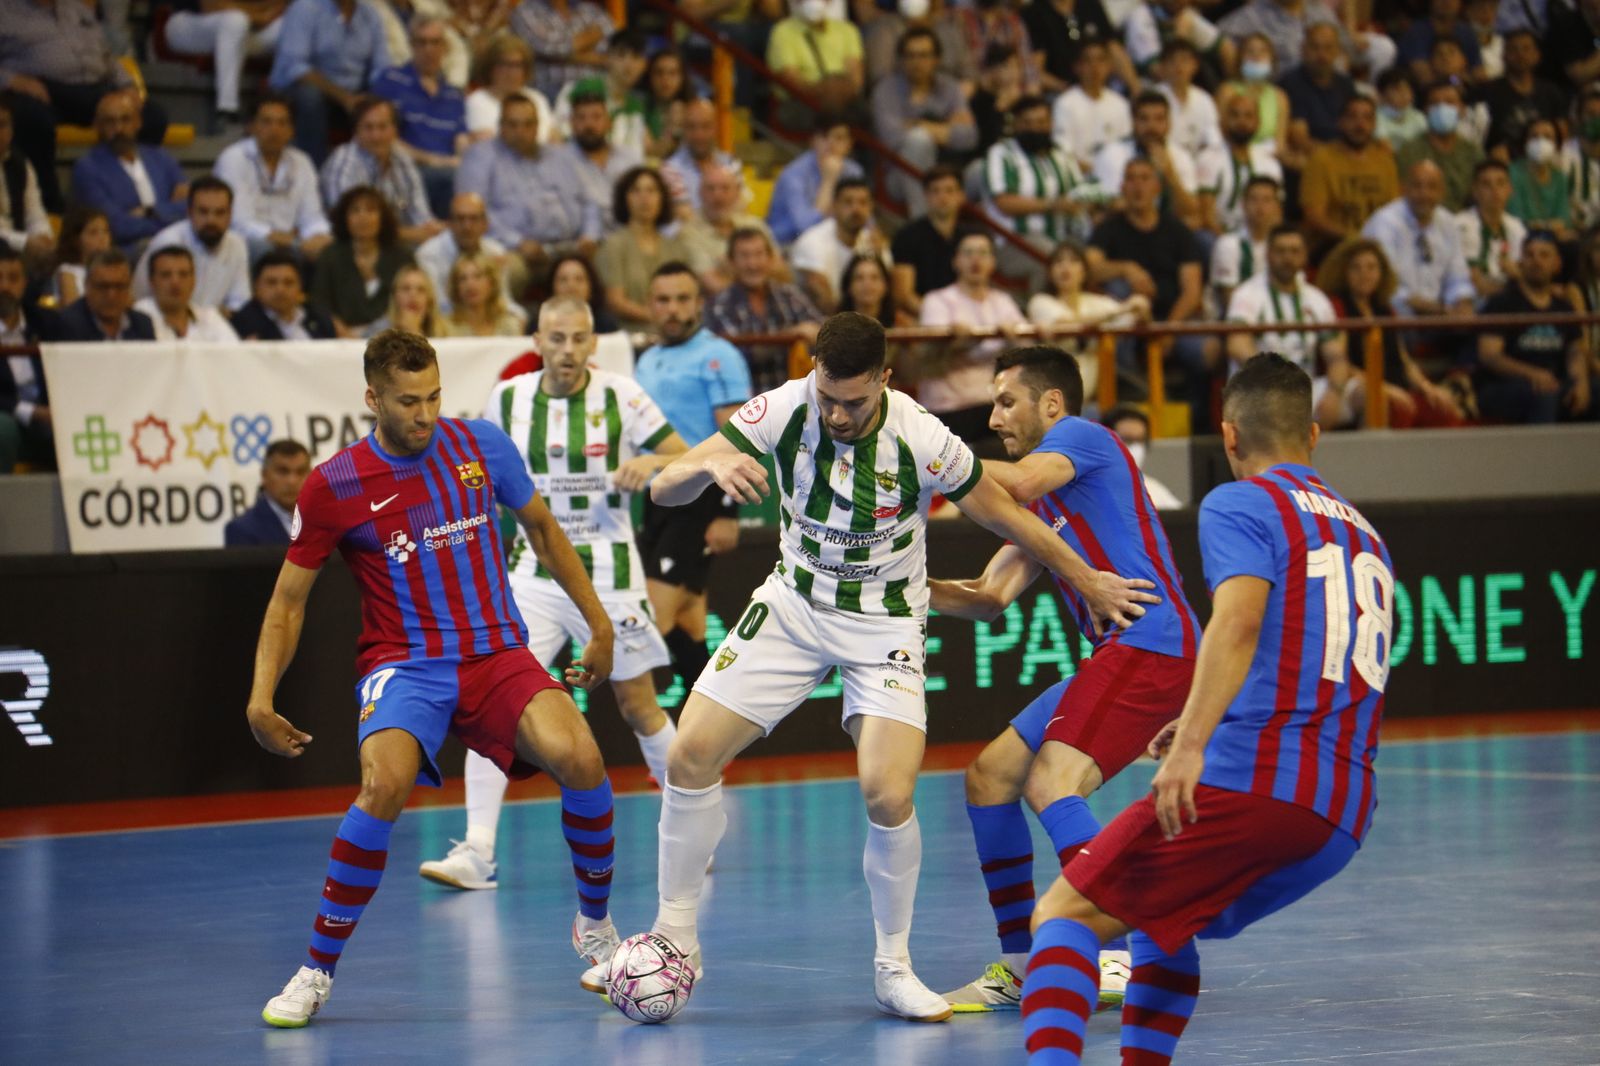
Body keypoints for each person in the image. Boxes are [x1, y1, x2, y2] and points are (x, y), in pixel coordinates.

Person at [612, 312, 1162, 1022]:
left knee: (886, 793)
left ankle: (892, 967)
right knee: (688, 755)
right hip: (794, 605)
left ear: (885, 382)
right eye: (828, 397)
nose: (838, 413)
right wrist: (704, 465)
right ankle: (675, 938)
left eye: (854, 400)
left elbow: (1008, 513)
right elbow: (662, 490)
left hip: (884, 624)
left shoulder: (921, 435)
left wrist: (1085, 577)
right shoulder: (783, 406)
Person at [1019, 352, 1395, 1066]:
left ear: (1227, 437)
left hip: (1258, 783)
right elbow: (1314, 660)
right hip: (1342, 816)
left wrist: (1192, 743)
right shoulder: (1362, 533)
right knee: (1160, 923)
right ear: (1313, 435)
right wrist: (1205, 713)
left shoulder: (1241, 502)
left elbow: (1239, 622)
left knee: (1063, 913)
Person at [249, 328, 623, 1028]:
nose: (424, 415)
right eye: (407, 402)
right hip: (405, 665)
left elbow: (543, 530)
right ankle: (315, 969)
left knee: (583, 756)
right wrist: (260, 698)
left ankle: (595, 929)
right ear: (373, 399)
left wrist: (598, 624)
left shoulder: (481, 444)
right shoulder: (335, 485)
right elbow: (288, 601)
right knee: (382, 785)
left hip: (495, 654)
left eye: (433, 398)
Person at [931, 346, 1194, 1013]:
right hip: (1122, 652)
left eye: (1006, 401)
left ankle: (1120, 951)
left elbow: (1011, 485)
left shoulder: (1082, 437)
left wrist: (920, 458)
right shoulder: (1045, 511)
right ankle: (1023, 965)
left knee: (1052, 779)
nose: (994, 417)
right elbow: (989, 596)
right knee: (991, 777)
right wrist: (898, 586)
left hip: (1152, 641)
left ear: (1052, 404)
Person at [419, 295, 690, 893]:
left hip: (610, 572)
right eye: (556, 338)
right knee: (494, 700)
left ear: (594, 343)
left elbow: (683, 455)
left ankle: (690, 831)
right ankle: (478, 852)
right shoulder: (508, 398)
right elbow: (474, 475)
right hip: (532, 573)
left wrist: (650, 463)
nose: (567, 350)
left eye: (578, 339)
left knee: (638, 706)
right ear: (537, 341)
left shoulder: (622, 393)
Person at [633, 262, 753, 694]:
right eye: (663, 300)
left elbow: (737, 438)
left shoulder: (718, 356)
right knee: (688, 621)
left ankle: (689, 731)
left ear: (699, 304)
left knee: (651, 618)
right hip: (655, 497)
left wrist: (727, 510)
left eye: (683, 299)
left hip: (700, 498)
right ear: (650, 305)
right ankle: (709, 733)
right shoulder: (646, 361)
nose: (673, 309)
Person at [0, 0, 168, 212]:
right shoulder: (5, 12)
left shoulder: (77, 9)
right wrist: (13, 81)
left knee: (152, 116)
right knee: (31, 118)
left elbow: (107, 56)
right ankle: (48, 205)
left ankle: (132, 192)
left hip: (96, 88)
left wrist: (126, 86)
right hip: (40, 90)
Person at [1086, 157, 1209, 430]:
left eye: (1145, 179)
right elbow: (1090, 268)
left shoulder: (1177, 230)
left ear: (1157, 187)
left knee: (1209, 350)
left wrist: (1168, 328)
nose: (1138, 186)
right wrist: (1124, 268)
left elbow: (1192, 290)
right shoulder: (1108, 228)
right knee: (1117, 296)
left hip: (1173, 319)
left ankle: (1200, 422)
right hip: (1127, 323)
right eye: (1131, 179)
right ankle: (1129, 406)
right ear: (1122, 187)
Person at [1319, 236, 1466, 428]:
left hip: (1396, 382)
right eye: (1356, 267)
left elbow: (1403, 358)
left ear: (1382, 272)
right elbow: (1342, 364)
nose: (1365, 274)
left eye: (1372, 267)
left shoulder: (1385, 309)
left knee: (1443, 408)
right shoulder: (1337, 307)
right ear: (1344, 273)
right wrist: (1383, 388)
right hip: (1362, 385)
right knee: (1396, 408)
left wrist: (1426, 386)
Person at [457, 95, 598, 281]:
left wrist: (590, 235)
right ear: (500, 126)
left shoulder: (561, 156)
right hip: (515, 250)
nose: (520, 131)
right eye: (513, 124)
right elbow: (471, 214)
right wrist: (518, 243)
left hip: (571, 246)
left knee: (610, 259)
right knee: (510, 272)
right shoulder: (481, 157)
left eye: (528, 124)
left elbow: (590, 202)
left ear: (538, 126)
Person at [1224, 225, 1350, 427]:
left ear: (1305, 256)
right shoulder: (1247, 294)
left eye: (1295, 251)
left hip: (1304, 388)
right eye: (1280, 251)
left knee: (1361, 393)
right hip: (1259, 388)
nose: (1287, 258)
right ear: (1268, 254)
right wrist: (1273, 381)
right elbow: (1237, 345)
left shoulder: (1317, 299)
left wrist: (1334, 393)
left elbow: (1336, 356)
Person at [918, 230, 1026, 446]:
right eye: (968, 253)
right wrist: (968, 340)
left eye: (982, 253)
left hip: (994, 404)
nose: (975, 259)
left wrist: (1014, 337)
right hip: (950, 408)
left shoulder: (1002, 301)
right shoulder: (937, 300)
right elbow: (932, 351)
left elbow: (1026, 343)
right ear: (956, 261)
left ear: (993, 262)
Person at [1476, 231, 1595, 423]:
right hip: (1504, 386)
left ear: (1557, 264)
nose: (1536, 261)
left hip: (1554, 381)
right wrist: (1533, 374)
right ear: (1521, 262)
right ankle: (1546, 453)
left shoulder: (1564, 307)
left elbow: (1575, 351)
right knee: (1544, 393)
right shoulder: (1501, 303)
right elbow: (1490, 355)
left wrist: (1581, 382)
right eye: (1529, 255)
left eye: (1544, 255)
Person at [984, 94, 1097, 288]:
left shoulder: (1061, 154)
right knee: (1057, 260)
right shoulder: (1001, 153)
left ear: (1051, 123)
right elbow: (1003, 202)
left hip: (1064, 236)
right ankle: (1044, 314)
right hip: (1015, 241)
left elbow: (1081, 190)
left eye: (1041, 122)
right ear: (1016, 125)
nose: (1035, 128)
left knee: (1093, 257)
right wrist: (1051, 204)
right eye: (1028, 122)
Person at [1027, 238, 1151, 404]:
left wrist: (1142, 307)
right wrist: (1122, 309)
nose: (1065, 267)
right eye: (1059, 262)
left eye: (1073, 261)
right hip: (1053, 391)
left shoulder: (1099, 302)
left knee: (1138, 394)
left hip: (1096, 390)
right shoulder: (1040, 301)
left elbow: (1137, 319)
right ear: (1049, 272)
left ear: (1084, 271)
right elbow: (1067, 324)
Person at [871, 26, 977, 217]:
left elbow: (969, 137)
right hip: (900, 175)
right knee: (918, 140)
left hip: (948, 170)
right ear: (901, 60)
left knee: (981, 171)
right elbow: (891, 139)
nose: (916, 62)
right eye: (910, 56)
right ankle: (924, 223)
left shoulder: (950, 87)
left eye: (923, 55)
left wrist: (918, 124)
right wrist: (945, 127)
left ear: (936, 59)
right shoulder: (886, 90)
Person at [268, 0, 391, 165]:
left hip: (354, 90)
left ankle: (381, 169)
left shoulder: (370, 14)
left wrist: (376, 96)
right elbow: (295, 67)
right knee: (310, 96)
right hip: (304, 89)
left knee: (391, 96)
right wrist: (345, 98)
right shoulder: (305, 8)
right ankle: (314, 167)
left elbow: (381, 66)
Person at [213, 94, 334, 263]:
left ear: (292, 131)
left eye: (282, 123)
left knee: (331, 249)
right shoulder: (234, 159)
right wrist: (288, 240)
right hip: (248, 242)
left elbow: (312, 216)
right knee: (264, 249)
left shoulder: (302, 161)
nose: (275, 130)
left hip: (293, 243)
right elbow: (239, 223)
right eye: (266, 122)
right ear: (251, 127)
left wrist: (319, 236)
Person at [371, 17, 469, 219]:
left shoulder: (453, 94)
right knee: (450, 179)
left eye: (435, 42)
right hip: (405, 168)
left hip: (448, 170)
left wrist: (465, 161)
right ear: (411, 46)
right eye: (421, 42)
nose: (428, 49)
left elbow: (461, 141)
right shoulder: (391, 80)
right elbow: (382, 137)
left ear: (445, 48)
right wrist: (434, 160)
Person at [69, 90, 189, 254]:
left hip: (172, 244)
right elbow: (117, 226)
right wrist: (170, 218)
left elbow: (189, 207)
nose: (119, 129)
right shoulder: (88, 169)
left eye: (125, 120)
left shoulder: (161, 157)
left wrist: (150, 211)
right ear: (98, 126)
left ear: (138, 122)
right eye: (110, 122)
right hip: (126, 252)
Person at [705, 227, 823, 391]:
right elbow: (736, 357)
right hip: (745, 405)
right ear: (731, 262)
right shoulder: (719, 305)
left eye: (759, 255)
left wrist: (812, 333)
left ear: (770, 258)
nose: (753, 264)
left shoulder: (789, 294)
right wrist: (794, 335)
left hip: (795, 401)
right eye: (745, 256)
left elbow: (824, 332)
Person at [319, 96, 443, 247]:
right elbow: (354, 226)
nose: (376, 136)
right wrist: (414, 234)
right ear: (356, 132)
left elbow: (422, 216)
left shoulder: (402, 158)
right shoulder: (343, 164)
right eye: (368, 128)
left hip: (398, 245)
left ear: (395, 131)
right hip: (351, 248)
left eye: (382, 127)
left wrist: (433, 230)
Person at [1362, 160, 1475, 319]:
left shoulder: (1448, 223)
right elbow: (1386, 287)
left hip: (1439, 317)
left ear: (1442, 192)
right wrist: (1438, 310)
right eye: (1417, 186)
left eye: (1432, 187)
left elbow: (1458, 278)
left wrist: (1463, 304)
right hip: (1395, 315)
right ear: (1403, 189)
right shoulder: (1385, 223)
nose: (1424, 194)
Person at [594, 166, 693, 334]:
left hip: (676, 334)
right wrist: (662, 316)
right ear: (624, 199)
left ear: (662, 198)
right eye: (635, 191)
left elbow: (689, 295)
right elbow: (615, 302)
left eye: (652, 190)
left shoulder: (676, 247)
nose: (644, 198)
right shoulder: (613, 245)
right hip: (629, 336)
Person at [1300, 94, 1399, 258]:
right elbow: (1314, 216)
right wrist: (1354, 238)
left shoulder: (1385, 160)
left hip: (1379, 247)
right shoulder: (1321, 159)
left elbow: (1394, 210)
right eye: (1352, 117)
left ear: (1374, 124)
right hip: (1333, 247)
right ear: (1340, 122)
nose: (1360, 124)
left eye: (1367, 118)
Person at [134, 177, 251, 313]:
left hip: (214, 326)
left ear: (230, 215)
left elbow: (239, 303)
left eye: (219, 213)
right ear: (189, 212)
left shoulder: (237, 244)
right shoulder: (168, 243)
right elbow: (146, 301)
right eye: (203, 212)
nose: (211, 220)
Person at [159, 0, 285, 125]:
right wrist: (260, 15)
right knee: (235, 21)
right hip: (190, 23)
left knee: (288, 25)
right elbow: (211, 5)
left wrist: (256, 14)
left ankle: (281, 103)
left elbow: (278, 5)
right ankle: (227, 108)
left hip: (241, 32)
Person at [311, 186, 414, 337]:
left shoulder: (401, 256)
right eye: (355, 211)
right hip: (342, 339)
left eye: (371, 210)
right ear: (345, 218)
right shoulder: (330, 256)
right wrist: (343, 333)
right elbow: (319, 304)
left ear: (382, 217)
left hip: (393, 336)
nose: (363, 217)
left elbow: (411, 298)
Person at [1094, 89, 1203, 230]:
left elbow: (1191, 210)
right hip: (1124, 230)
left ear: (1169, 124)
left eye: (1159, 119)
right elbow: (1113, 205)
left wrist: (1170, 174)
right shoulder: (1113, 154)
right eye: (1144, 119)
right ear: (1133, 123)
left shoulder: (1181, 156)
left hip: (1167, 232)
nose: (1151, 127)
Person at [792, 177, 891, 315]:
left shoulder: (874, 242)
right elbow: (825, 304)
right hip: (818, 321)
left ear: (871, 207)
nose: (856, 209)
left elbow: (887, 296)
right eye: (848, 202)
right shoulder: (812, 241)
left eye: (863, 202)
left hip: (863, 319)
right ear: (834, 206)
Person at [0, 243, 59, 474]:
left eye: (13, 278)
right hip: (9, 418)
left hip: (51, 420)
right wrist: (32, 412)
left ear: (24, 283)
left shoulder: (46, 322)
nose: (5, 286)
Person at [766, 0, 865, 130]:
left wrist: (835, 90)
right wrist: (826, 90)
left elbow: (856, 81)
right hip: (801, 102)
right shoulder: (782, 31)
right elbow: (791, 80)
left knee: (864, 111)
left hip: (844, 101)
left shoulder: (848, 30)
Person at [767, 115, 864, 247]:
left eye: (839, 138)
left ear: (849, 144)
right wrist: (828, 182)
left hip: (835, 243)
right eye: (824, 137)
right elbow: (806, 229)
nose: (831, 144)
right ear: (813, 141)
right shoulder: (793, 175)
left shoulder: (853, 171)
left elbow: (864, 219)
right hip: (788, 244)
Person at [550, 28, 649, 157]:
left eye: (635, 57)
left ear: (644, 64)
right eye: (621, 55)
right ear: (607, 59)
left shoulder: (636, 106)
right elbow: (556, 137)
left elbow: (639, 151)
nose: (628, 64)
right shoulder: (579, 89)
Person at [416, 192, 518, 317]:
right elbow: (437, 307)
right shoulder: (428, 255)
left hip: (487, 322)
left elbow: (504, 299)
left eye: (473, 219)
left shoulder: (496, 252)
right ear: (449, 223)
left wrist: (517, 316)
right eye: (460, 219)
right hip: (447, 324)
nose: (467, 226)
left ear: (485, 224)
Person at [890, 165, 972, 320]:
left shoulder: (971, 238)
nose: (943, 197)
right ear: (926, 196)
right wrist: (938, 316)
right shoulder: (907, 236)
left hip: (967, 319)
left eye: (949, 190)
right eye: (935, 191)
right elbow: (903, 295)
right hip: (923, 320)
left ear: (961, 196)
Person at [679, 164, 776, 295]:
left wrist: (732, 270)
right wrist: (759, 272)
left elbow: (784, 275)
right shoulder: (688, 234)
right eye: (710, 189)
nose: (718, 195)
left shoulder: (755, 225)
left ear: (737, 193)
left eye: (725, 188)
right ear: (700, 194)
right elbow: (714, 287)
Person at [556, 89, 643, 235]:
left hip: (628, 237)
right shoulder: (558, 162)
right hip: (579, 241)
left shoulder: (630, 160)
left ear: (609, 123)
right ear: (571, 122)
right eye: (581, 118)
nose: (589, 124)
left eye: (596, 117)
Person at [1197, 91, 1283, 237]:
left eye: (1248, 116)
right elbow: (1207, 216)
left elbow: (1276, 215)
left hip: (1260, 236)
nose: (1241, 122)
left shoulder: (1270, 164)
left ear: (1258, 122)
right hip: (1220, 234)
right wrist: (1230, 243)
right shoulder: (1208, 158)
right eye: (1235, 115)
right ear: (1223, 121)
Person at [1394, 80, 1483, 212]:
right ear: (1425, 110)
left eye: (1449, 102)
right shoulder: (1409, 151)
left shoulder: (1473, 153)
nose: (1442, 108)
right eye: (1435, 103)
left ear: (1462, 109)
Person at [1479, 31, 1564, 158]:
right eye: (1513, 49)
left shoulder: (1550, 92)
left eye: (1526, 48)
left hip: (1543, 157)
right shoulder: (1488, 90)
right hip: (1501, 160)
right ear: (1504, 55)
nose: (1520, 55)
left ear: (1537, 55)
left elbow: (1561, 131)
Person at [1050, 39, 1132, 172]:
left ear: (1109, 66)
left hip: (1115, 177)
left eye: (1100, 60)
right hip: (1078, 177)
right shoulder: (1065, 104)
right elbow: (1063, 153)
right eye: (1088, 61)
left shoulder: (1120, 104)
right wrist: (1094, 172)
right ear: (1077, 67)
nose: (1095, 67)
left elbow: (1126, 148)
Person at [509, 0, 613, 101]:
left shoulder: (591, 10)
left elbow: (612, 49)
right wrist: (592, 37)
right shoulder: (525, 11)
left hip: (596, 88)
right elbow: (547, 48)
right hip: (550, 90)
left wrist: (565, 52)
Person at [134, 245, 241, 342]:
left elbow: (235, 356)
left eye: (183, 275)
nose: (175, 282)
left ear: (194, 281)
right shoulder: (136, 318)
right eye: (166, 275)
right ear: (152, 282)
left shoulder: (210, 317)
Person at [464, 33, 555, 146]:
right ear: (490, 67)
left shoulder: (537, 99)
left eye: (517, 65)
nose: (511, 72)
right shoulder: (477, 102)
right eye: (504, 64)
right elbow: (490, 145)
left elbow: (554, 140)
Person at [1455, 159, 1525, 303]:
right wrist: (1517, 282)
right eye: (1487, 184)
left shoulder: (1517, 227)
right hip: (1472, 305)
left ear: (1509, 189)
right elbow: (1477, 284)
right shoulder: (1460, 225)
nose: (1495, 191)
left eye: (1501, 183)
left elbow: (1526, 278)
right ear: (1475, 190)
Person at [661, 99, 743, 221]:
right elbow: (684, 218)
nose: (699, 135)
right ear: (682, 129)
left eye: (706, 126)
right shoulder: (669, 170)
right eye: (691, 127)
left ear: (716, 128)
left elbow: (740, 209)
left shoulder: (731, 164)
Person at [1279, 23, 1353, 158]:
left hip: (1345, 156)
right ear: (1303, 50)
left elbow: (1354, 127)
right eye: (1315, 47)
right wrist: (1338, 156)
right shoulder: (1291, 83)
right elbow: (1299, 139)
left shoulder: (1346, 84)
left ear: (1338, 51)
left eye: (1328, 48)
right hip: (1310, 158)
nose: (1322, 55)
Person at [1209, 174, 1281, 312]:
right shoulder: (1228, 244)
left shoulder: (1282, 246)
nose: (1260, 207)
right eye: (1254, 200)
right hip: (1235, 321)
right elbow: (1229, 299)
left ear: (1277, 206)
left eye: (1267, 200)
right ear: (1243, 204)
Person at [1216, 34, 1293, 164]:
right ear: (1240, 58)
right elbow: (1220, 133)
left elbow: (1280, 145)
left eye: (1263, 51)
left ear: (1272, 59)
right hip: (1228, 158)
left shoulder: (1280, 97)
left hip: (1266, 161)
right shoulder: (1227, 91)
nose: (1256, 56)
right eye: (1250, 51)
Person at [231, 249, 338, 340]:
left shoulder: (318, 318)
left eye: (289, 283)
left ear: (300, 287)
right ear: (256, 288)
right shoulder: (244, 324)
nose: (280, 290)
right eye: (271, 282)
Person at [224, 439, 311, 546]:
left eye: (300, 472)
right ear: (264, 475)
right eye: (283, 471)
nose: (292, 481)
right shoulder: (242, 530)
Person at [58, 249, 156, 341]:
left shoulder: (142, 325)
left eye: (119, 286)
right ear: (87, 286)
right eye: (103, 286)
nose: (111, 295)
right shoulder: (65, 325)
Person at [0, 99, 52, 260]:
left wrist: (44, 236)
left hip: (20, 252)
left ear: (12, 129)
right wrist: (25, 242)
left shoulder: (21, 164)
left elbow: (35, 214)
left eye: (2, 124)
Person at [1102, 404, 1180, 508]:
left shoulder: (1154, 489)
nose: (1136, 448)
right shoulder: (1088, 490)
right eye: (1127, 440)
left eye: (1140, 440)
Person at [1154, 39, 1221, 161]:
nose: (1178, 66)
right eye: (1172, 61)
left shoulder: (1204, 99)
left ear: (1195, 65)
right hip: (1164, 160)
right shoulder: (1153, 96)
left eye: (1184, 60)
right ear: (1162, 66)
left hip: (1197, 161)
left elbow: (1213, 140)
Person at [1508, 119, 1572, 240]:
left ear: (1557, 145)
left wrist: (1542, 226)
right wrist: (1549, 225)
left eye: (1547, 137)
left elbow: (1564, 219)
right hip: (1520, 236)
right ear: (1525, 142)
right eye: (1534, 136)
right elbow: (1517, 216)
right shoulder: (1513, 173)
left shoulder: (1560, 178)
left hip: (1553, 239)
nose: (1540, 142)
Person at [441, 252, 524, 336]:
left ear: (492, 283)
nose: (470, 284)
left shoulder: (509, 325)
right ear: (456, 287)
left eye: (478, 276)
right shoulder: (445, 328)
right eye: (463, 279)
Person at [48, 209, 112, 308]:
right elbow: (72, 310)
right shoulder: (67, 271)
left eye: (106, 231)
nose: (103, 238)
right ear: (76, 240)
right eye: (93, 233)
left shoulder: (114, 268)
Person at [640, 47, 691, 160]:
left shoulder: (694, 109)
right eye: (659, 73)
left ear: (682, 77)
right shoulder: (639, 108)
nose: (665, 79)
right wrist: (672, 129)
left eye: (672, 73)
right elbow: (652, 154)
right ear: (650, 76)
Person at [367, 263, 445, 337]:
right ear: (395, 296)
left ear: (429, 300)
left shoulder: (444, 332)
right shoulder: (377, 333)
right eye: (406, 288)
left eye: (421, 290)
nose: (413, 295)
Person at [837, 253, 905, 329]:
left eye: (874, 277)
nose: (867, 284)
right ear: (848, 286)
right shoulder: (834, 327)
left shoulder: (902, 326)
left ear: (886, 285)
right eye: (859, 278)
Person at [1373, 66, 1425, 151]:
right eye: (1397, 89)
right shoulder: (1375, 118)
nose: (1404, 94)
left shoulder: (1419, 117)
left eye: (1407, 89)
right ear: (1381, 94)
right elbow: (1385, 147)